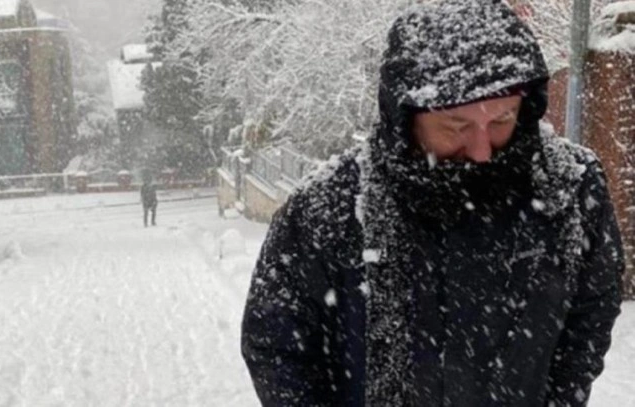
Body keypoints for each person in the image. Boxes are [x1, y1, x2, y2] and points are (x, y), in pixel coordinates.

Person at [240, 1, 625, 406]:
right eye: (456, 127)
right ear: (404, 119)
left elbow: (591, 314)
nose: (481, 151)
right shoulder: (328, 207)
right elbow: (278, 345)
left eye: (501, 121)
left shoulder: (570, 189)